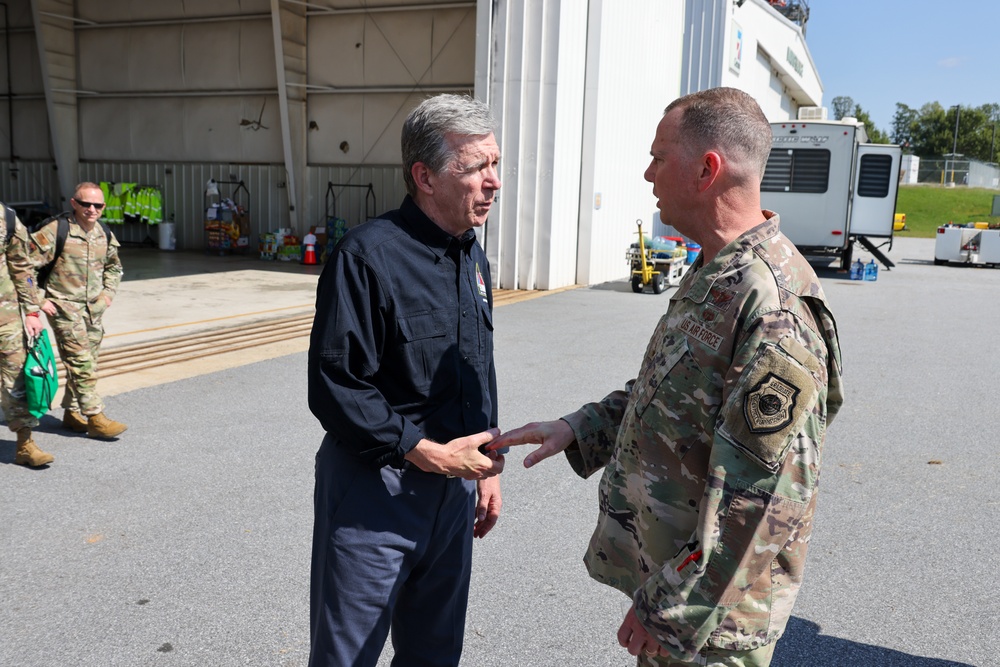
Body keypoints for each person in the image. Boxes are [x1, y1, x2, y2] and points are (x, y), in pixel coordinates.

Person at [489, 87, 844, 667]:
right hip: (681, 592)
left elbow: (762, 496)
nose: (648, 173)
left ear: (708, 170)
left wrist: (672, 613)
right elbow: (667, 391)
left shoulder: (773, 304)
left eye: (659, 156)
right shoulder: (716, 270)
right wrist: (577, 429)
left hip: (714, 623)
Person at [307, 93, 505, 667]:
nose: (492, 182)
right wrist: (424, 452)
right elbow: (335, 384)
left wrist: (488, 466)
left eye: (496, 164)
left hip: (455, 488)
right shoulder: (367, 257)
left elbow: (477, 368)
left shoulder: (472, 255)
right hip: (380, 489)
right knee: (349, 654)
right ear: (424, 175)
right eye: (475, 168)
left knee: (434, 653)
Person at [30, 182, 126, 439]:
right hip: (63, 307)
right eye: (86, 204)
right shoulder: (55, 231)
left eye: (98, 205)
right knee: (81, 362)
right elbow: (22, 267)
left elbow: (114, 267)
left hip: (94, 309)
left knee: (89, 362)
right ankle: (95, 417)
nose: (92, 209)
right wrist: (39, 299)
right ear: (74, 204)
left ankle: (72, 414)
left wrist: (107, 294)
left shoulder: (103, 233)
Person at [1, 203, 55, 467]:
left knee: (16, 378)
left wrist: (32, 311)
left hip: (6, 317)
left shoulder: (7, 218)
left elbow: (22, 267)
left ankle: (24, 443)